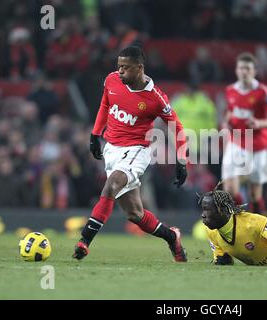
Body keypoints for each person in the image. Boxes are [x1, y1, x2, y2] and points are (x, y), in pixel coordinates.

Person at [73, 46, 188, 262]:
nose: (120, 71)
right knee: (135, 214)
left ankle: (84, 240)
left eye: (125, 67)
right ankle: (172, 237)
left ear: (139, 68)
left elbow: (177, 127)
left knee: (111, 185)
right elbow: (105, 104)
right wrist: (95, 134)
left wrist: (181, 160)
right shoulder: (112, 80)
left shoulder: (155, 97)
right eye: (119, 66)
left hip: (137, 151)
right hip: (112, 149)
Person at [221, 52, 267, 213]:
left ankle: (258, 228)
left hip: (258, 146)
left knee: (255, 195)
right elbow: (230, 111)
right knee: (230, 191)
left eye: (247, 68)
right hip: (237, 142)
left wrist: (259, 122)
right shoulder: (230, 91)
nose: (244, 71)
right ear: (236, 70)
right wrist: (226, 122)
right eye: (241, 68)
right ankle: (237, 224)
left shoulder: (263, 92)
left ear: (254, 72)